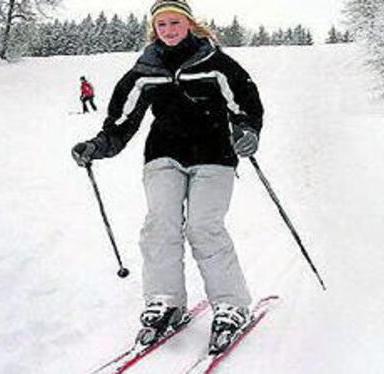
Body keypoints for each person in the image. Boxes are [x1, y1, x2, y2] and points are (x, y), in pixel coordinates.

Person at [71, 0, 264, 354]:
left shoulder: (216, 63)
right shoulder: (146, 69)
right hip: (163, 154)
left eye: (175, 23)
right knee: (160, 224)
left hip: (214, 156)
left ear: (190, 23)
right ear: (153, 29)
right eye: (162, 25)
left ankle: (231, 304)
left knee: (203, 227)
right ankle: (166, 300)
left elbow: (245, 105)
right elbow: (121, 120)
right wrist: (98, 146)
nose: (169, 30)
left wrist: (247, 131)